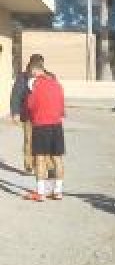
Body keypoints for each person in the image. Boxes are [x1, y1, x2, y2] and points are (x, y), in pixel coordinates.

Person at [23, 57, 65, 201]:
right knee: (57, 158)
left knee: (40, 158)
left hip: (41, 125)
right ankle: (58, 191)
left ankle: (40, 193)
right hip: (57, 124)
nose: (30, 74)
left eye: (30, 71)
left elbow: (31, 105)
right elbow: (61, 105)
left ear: (34, 70)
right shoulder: (56, 83)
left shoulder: (34, 83)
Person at [9, 54, 42, 175]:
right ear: (30, 64)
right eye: (35, 64)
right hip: (28, 115)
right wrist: (15, 112)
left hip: (43, 115)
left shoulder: (48, 76)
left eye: (39, 64)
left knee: (44, 140)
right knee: (29, 140)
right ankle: (29, 165)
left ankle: (46, 165)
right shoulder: (22, 77)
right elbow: (16, 95)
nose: (37, 67)